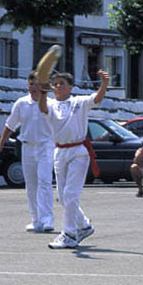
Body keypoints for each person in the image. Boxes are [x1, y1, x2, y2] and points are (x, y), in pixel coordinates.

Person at [39, 69, 110, 249]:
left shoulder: (79, 102)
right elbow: (42, 108)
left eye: (62, 83)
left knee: (71, 194)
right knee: (63, 197)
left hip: (79, 150)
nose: (58, 86)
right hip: (60, 151)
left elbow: (97, 99)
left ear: (71, 87)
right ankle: (84, 225)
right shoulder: (50, 103)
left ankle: (69, 234)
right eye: (56, 84)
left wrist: (104, 83)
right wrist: (42, 92)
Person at [0, 72, 54, 233]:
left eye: (37, 84)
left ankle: (47, 218)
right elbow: (10, 125)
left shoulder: (50, 103)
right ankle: (35, 219)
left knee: (45, 181)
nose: (34, 87)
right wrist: (0, 144)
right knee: (31, 184)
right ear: (28, 85)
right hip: (27, 146)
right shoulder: (21, 103)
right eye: (31, 84)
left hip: (45, 146)